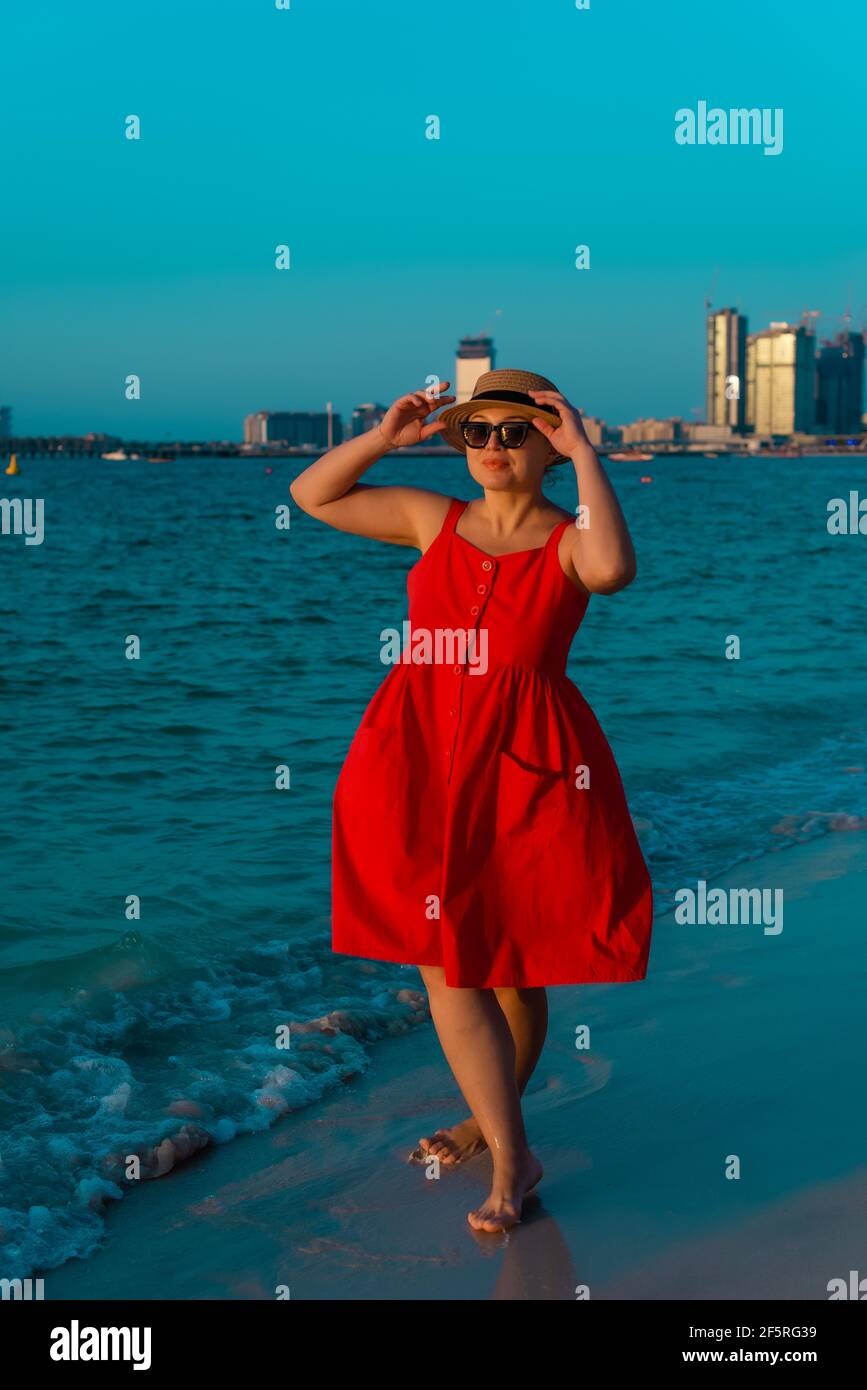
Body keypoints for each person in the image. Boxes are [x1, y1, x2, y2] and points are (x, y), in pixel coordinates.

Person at [289, 368, 653, 1233]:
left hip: (526, 766)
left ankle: (493, 1130)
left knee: (511, 968)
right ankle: (512, 1154)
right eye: (476, 432)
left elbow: (611, 569)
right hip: (412, 757)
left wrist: (587, 454)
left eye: (512, 432)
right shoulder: (431, 521)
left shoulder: (571, 537)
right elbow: (313, 494)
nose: (490, 447)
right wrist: (386, 437)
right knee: (446, 961)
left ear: (546, 444)